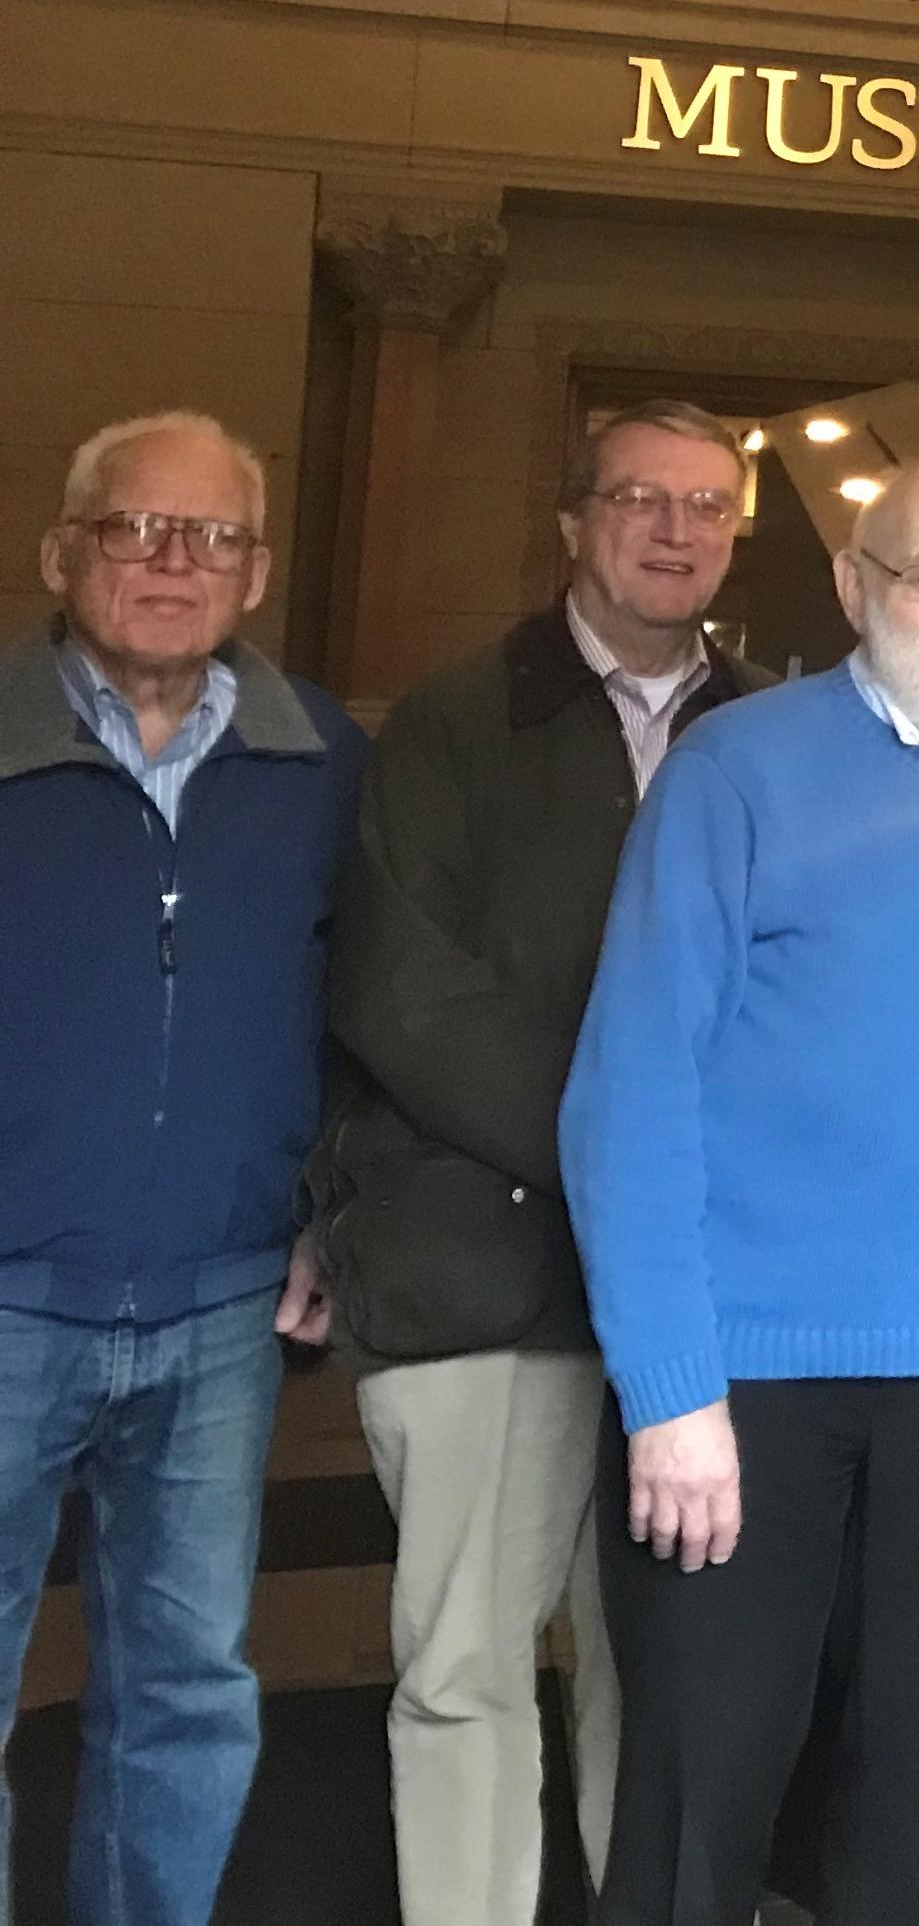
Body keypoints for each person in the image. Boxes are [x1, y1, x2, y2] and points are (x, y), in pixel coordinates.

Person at [559, 455, 919, 1926]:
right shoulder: (734, 771)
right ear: (855, 584)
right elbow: (633, 1088)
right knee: (700, 1807)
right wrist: (669, 1387)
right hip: (744, 1391)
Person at [320, 398, 769, 1926]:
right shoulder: (453, 720)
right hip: (484, 1272)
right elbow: (402, 993)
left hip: (702, 1306)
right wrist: (628, 1164)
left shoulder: (771, 733)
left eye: (708, 505)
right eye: (640, 497)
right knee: (465, 1670)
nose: (674, 528)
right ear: (571, 520)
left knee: (668, 1676)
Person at [0, 411, 363, 1926]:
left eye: (209, 536)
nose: (171, 561)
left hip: (221, 1306)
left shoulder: (325, 756)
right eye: (135, 529)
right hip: (10, 1297)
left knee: (189, 1697)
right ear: (60, 551)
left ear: (258, 570)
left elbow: (365, 1005)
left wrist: (332, 1207)